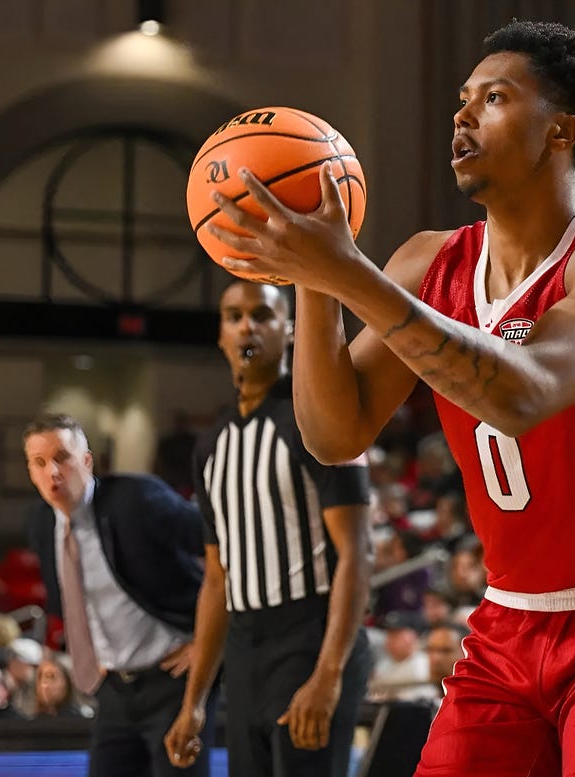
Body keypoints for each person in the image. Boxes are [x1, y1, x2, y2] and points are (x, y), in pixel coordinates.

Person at [206, 20, 575, 776]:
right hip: (507, 624)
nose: (462, 115)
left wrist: (348, 275)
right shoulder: (423, 259)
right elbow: (334, 434)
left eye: (495, 98)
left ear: (561, 131)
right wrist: (313, 280)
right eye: (461, 100)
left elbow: (523, 392)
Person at [165, 280, 373, 777]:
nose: (246, 326)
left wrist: (329, 674)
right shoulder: (209, 445)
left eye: (261, 315)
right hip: (244, 649)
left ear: (291, 329)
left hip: (310, 637)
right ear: (220, 336)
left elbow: (356, 555)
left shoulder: (320, 418)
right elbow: (217, 579)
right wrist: (194, 701)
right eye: (233, 316)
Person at [23, 414, 208, 777]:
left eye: (63, 457)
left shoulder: (137, 498)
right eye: (39, 463)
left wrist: (208, 638)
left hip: (173, 678)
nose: (53, 473)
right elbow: (69, 603)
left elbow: (221, 546)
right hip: (113, 688)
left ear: (87, 461)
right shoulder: (41, 524)